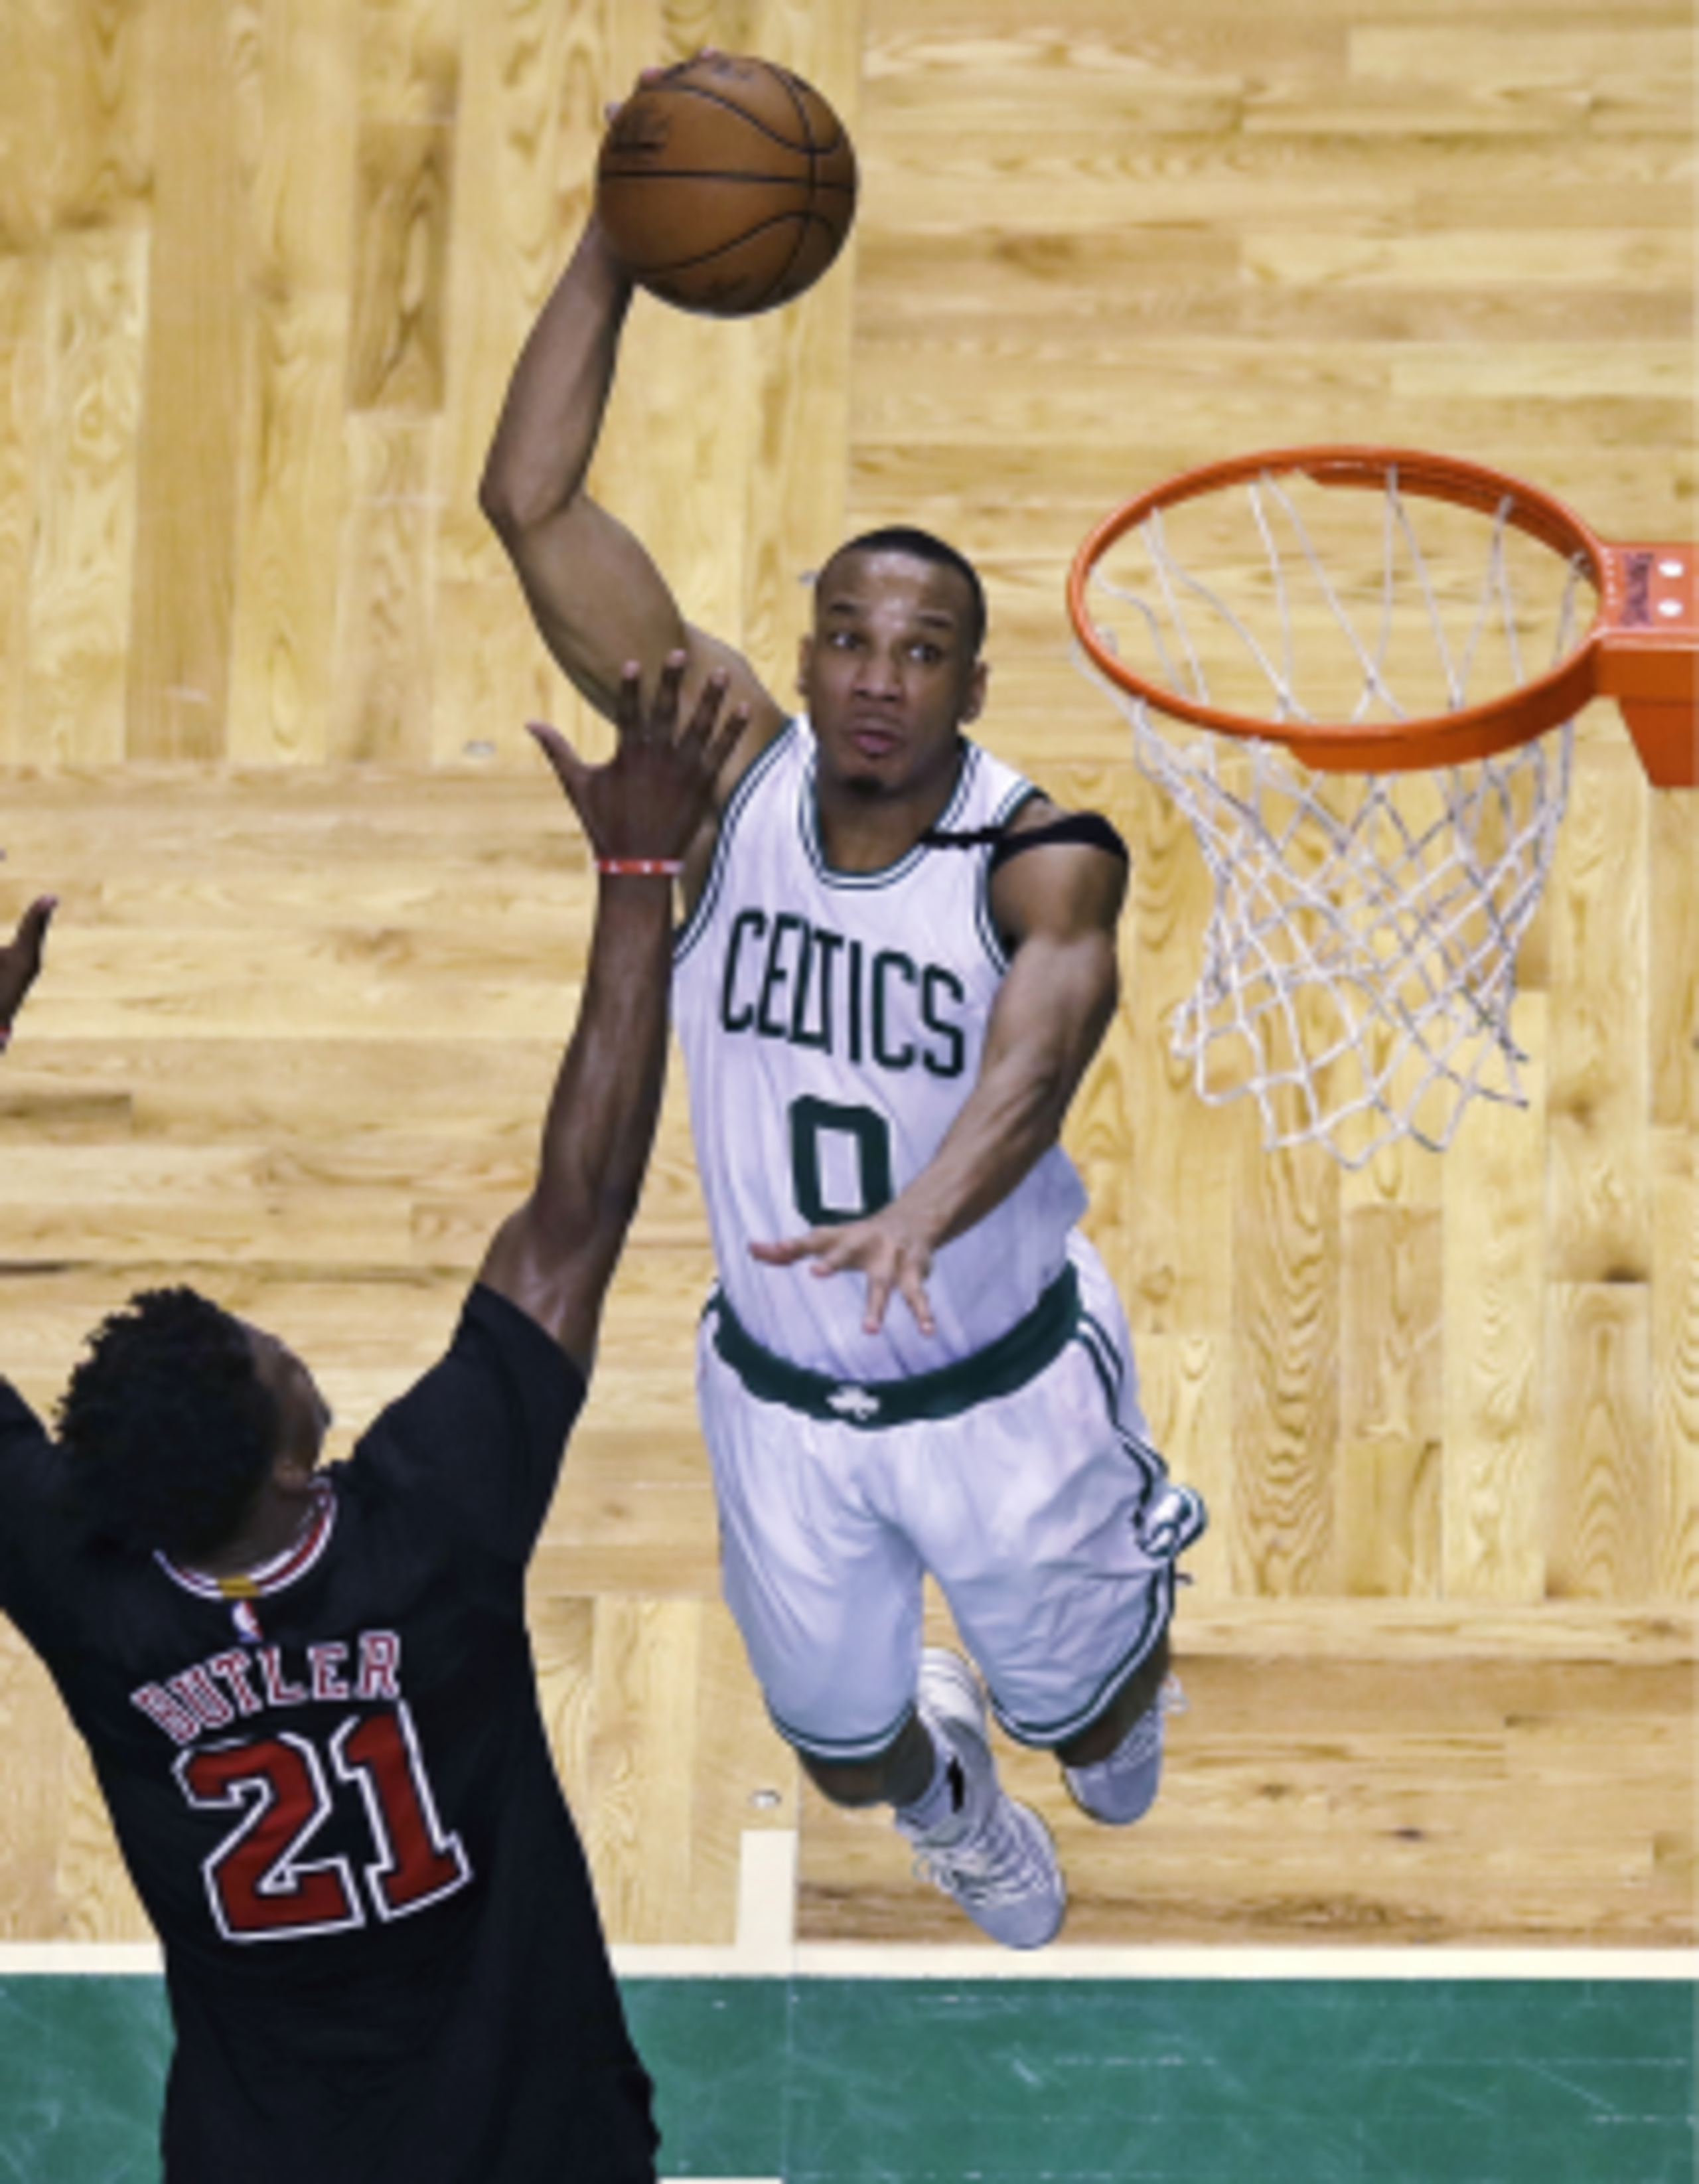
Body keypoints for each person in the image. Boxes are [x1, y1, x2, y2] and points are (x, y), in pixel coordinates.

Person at [479, 173, 1207, 1952]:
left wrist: (923, 1212)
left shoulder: (1039, 852)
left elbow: (1042, 1053)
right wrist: (616, 228)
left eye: (926, 651)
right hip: (785, 1400)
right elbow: (530, 499)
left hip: (1006, 1385)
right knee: (852, 1758)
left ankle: (1088, 1688)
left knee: (1108, 1741)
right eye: (853, 639)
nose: (883, 677)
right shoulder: (726, 776)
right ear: (801, 657)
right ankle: (952, 1793)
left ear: (968, 688)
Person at [0, 663, 743, 2182]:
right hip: (534, 2138)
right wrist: (635, 872)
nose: (281, 1336)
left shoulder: (79, 1579)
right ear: (292, 1460)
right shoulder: (436, 1523)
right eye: (269, 1353)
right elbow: (580, 1209)